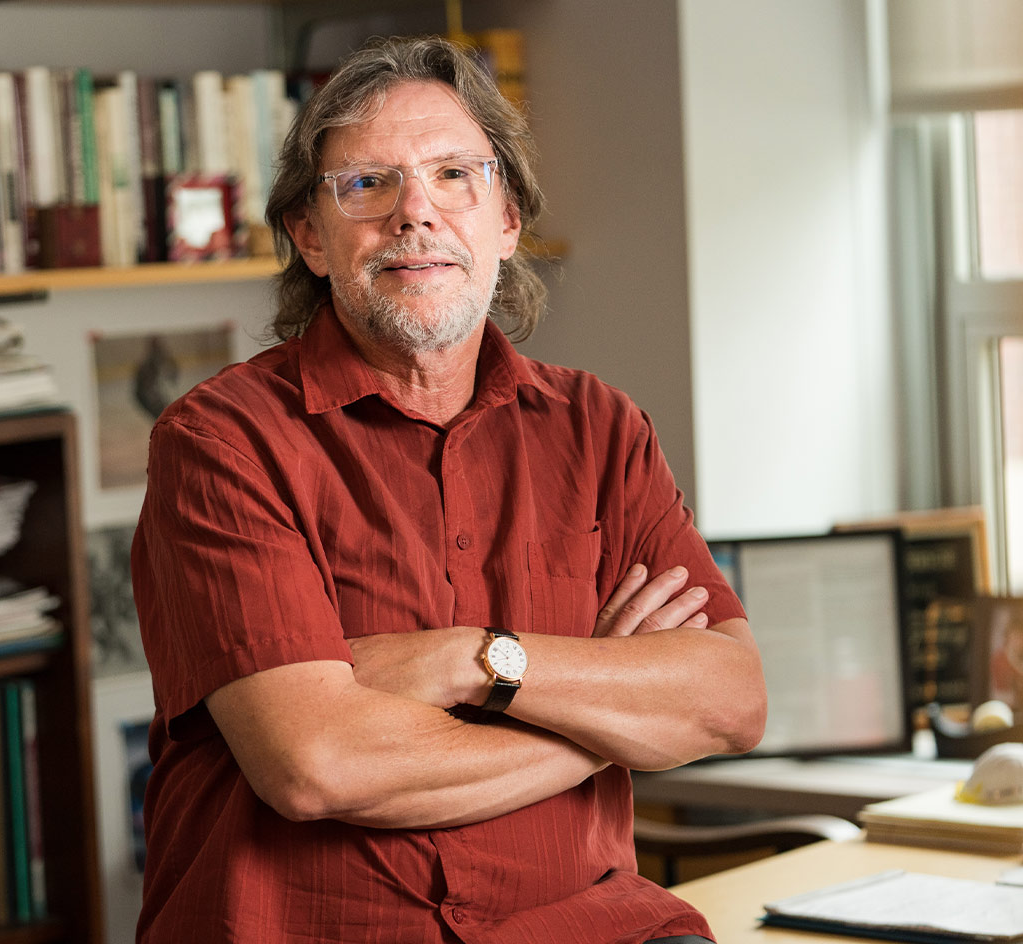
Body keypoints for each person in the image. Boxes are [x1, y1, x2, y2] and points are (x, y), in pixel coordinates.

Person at [131, 34, 766, 944]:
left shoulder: (600, 428)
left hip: (586, 927)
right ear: (310, 238)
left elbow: (731, 699)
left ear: (508, 220)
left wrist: (473, 657)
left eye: (455, 176)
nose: (414, 214)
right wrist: (605, 721)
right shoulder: (220, 442)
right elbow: (317, 764)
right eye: (367, 184)